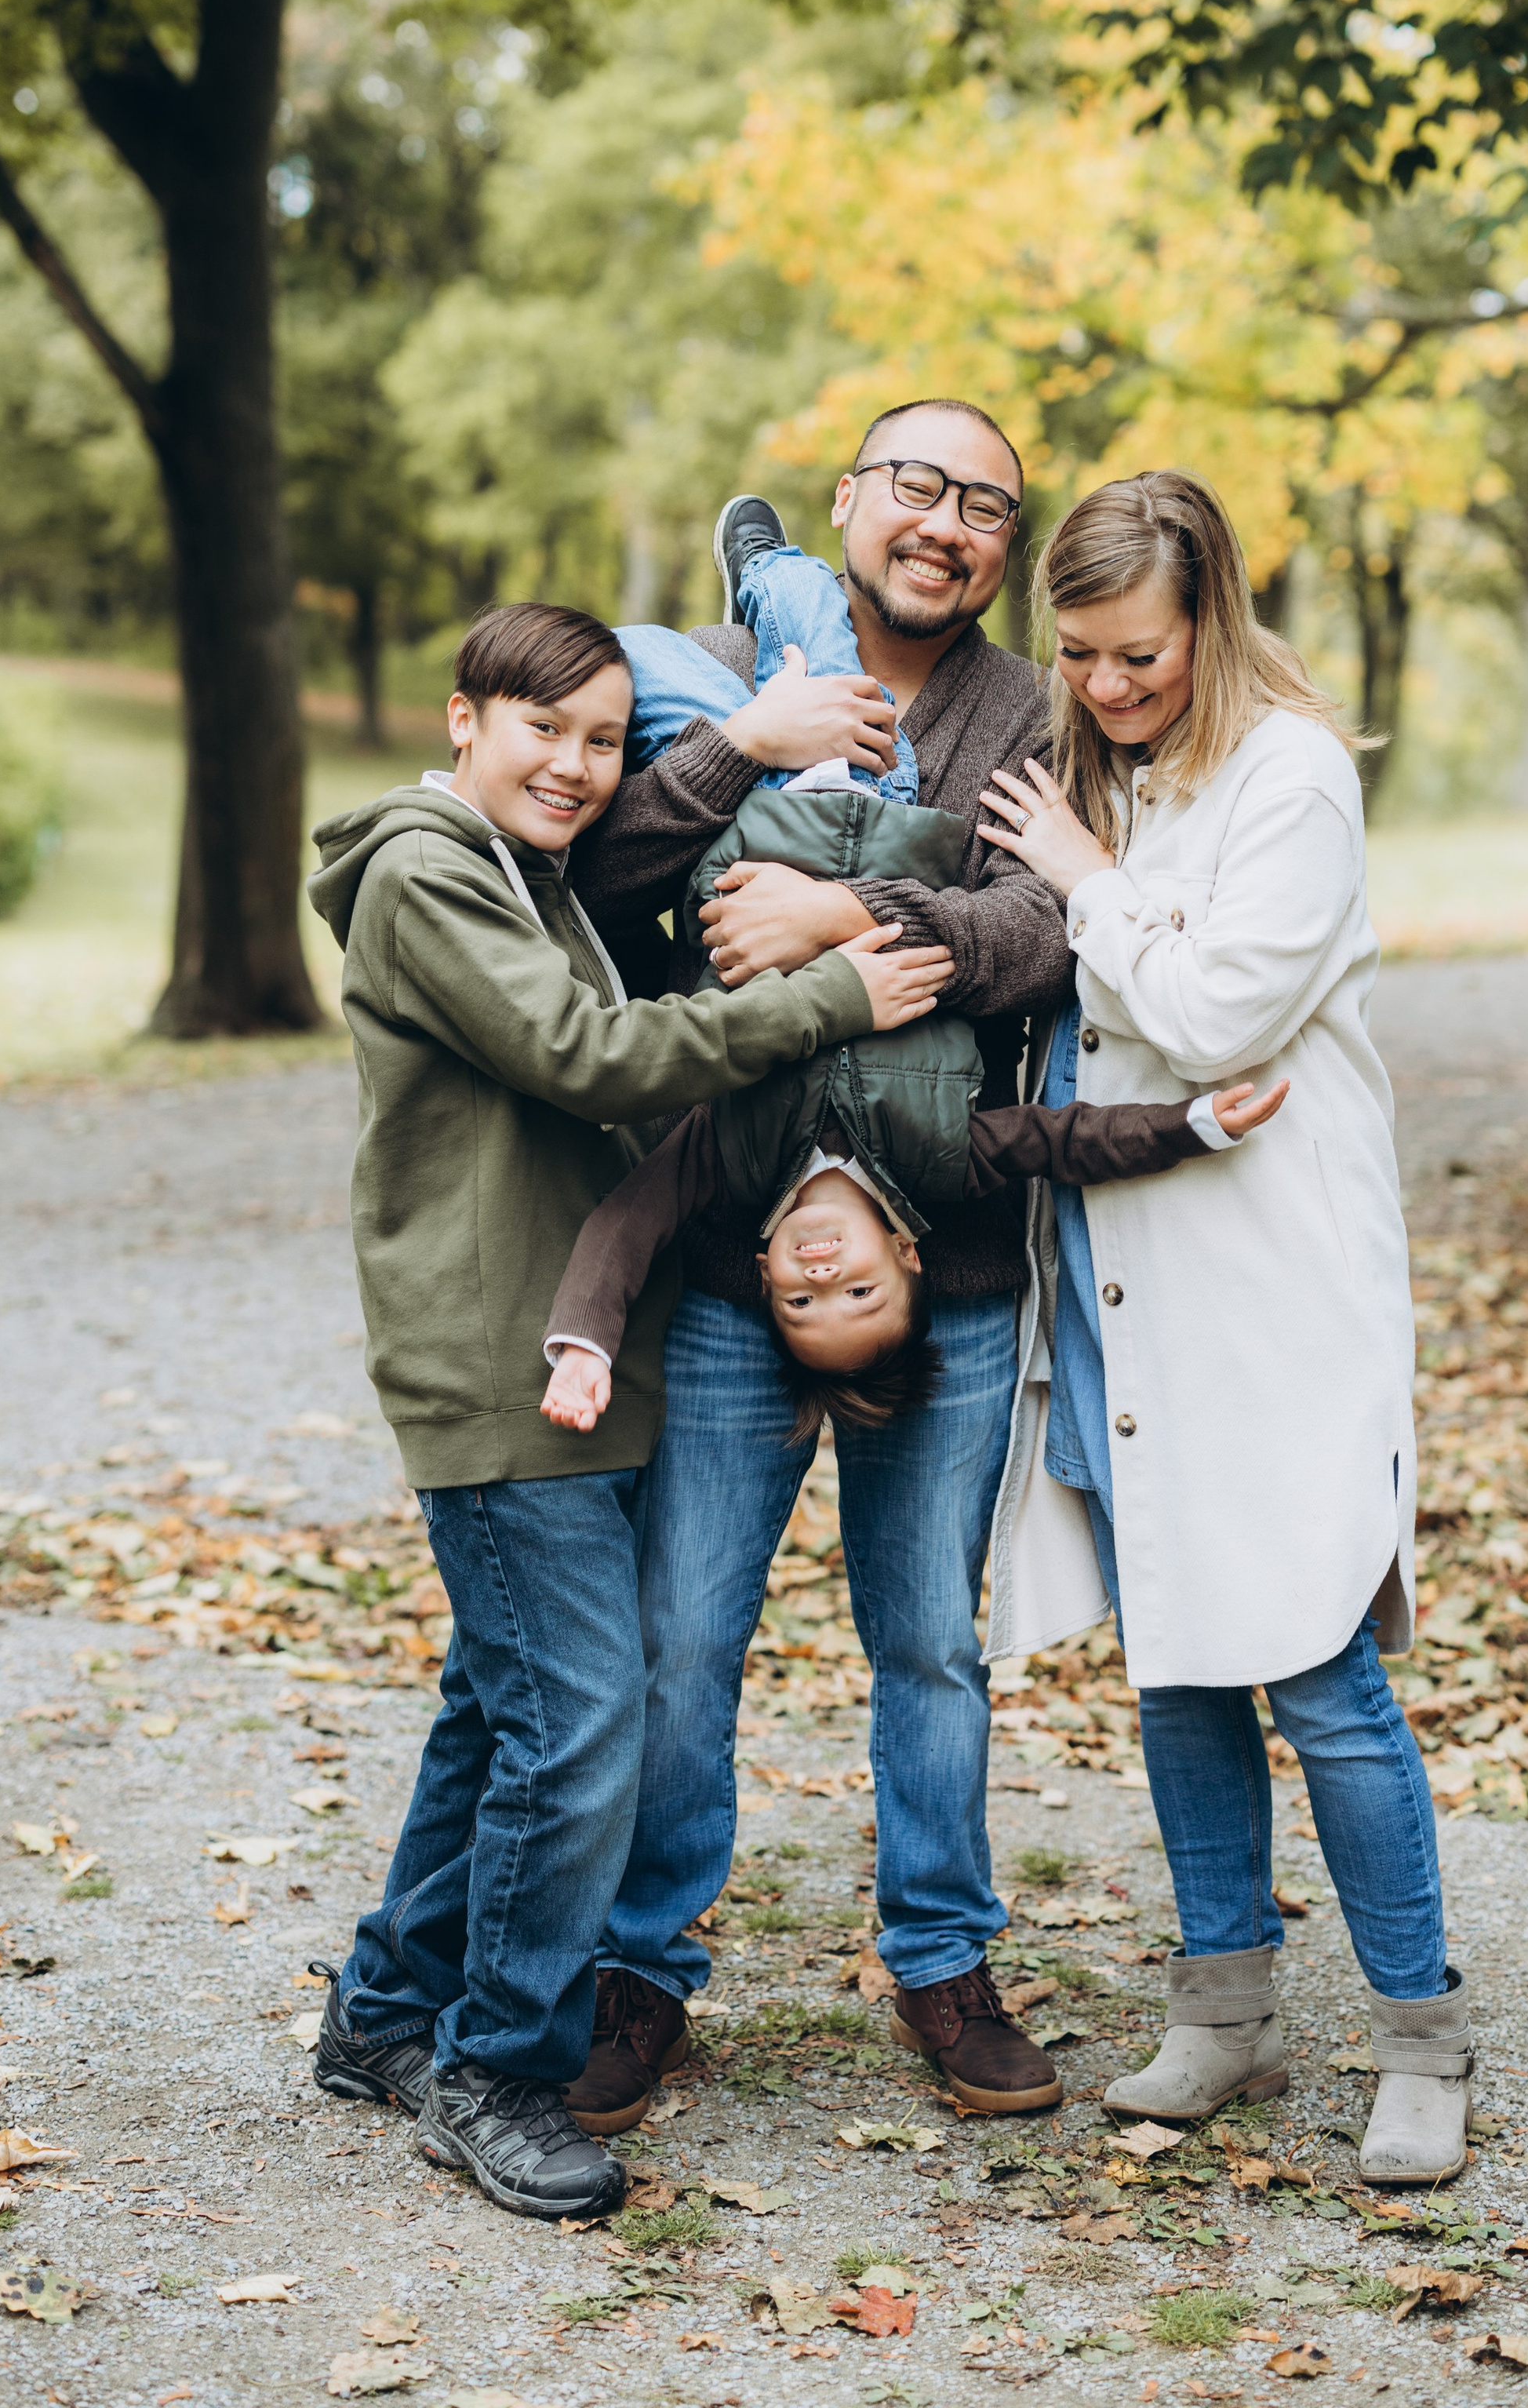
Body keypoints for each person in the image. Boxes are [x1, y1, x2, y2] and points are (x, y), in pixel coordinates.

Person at [300, 600, 946, 2224]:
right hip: (491, 1358)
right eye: (546, 730)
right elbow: (585, 1056)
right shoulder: (428, 874)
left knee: (497, 1706)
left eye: (604, 739)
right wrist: (827, 1000)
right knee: (582, 1719)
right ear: (463, 719)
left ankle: (386, 2009)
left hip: (567, 1364)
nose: (579, 767)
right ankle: (499, 2066)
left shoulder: (527, 873)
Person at [565, 402, 1079, 2130]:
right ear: (849, 499)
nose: (947, 524)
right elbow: (604, 873)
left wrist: (851, 919)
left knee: (928, 1639)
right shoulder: (719, 675)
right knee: (680, 1637)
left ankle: (942, 1961)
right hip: (728, 1248)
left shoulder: (1027, 713)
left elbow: (1048, 933)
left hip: (946, 1262)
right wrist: (740, 752)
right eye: (917, 486)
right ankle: (641, 1971)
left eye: (986, 506)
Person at [977, 471, 1468, 2188]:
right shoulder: (1103, 766)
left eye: (1140, 654)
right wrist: (1108, 879)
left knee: (1319, 1667)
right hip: (1116, 1270)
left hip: (1270, 1282)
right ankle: (1225, 2008)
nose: (1107, 686)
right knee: (1176, 1653)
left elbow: (1216, 1012)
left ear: (1212, 616)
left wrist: (1084, 879)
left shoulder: (1290, 774)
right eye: (1080, 656)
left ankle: (1420, 2038)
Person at [543, 516, 1283, 1430]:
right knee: (808, 648)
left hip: (762, 815)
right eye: (859, 1294)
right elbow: (1069, 1141)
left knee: (608, 653)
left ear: (768, 1271)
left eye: (802, 1302)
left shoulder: (725, 1153)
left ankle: (765, 583)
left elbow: (624, 1225)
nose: (824, 1277)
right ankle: (768, 570)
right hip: (881, 800)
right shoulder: (942, 1158)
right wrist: (1193, 1123)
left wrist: (582, 1345)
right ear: (906, 1254)